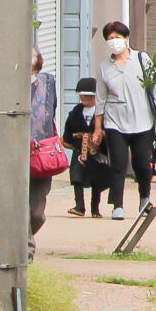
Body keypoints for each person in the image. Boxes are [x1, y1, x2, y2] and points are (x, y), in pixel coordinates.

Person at [96, 21, 156, 219]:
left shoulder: (142, 59)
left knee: (142, 163)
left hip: (142, 120)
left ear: (126, 38)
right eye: (110, 38)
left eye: (117, 37)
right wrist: (98, 127)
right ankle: (117, 205)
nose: (114, 41)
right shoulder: (104, 67)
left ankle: (144, 198)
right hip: (115, 121)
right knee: (118, 163)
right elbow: (100, 99)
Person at [27, 48, 61, 257]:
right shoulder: (6, 86)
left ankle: (23, 240)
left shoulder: (47, 83)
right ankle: (25, 250)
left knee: (36, 213)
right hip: (14, 155)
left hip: (41, 153)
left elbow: (50, 113)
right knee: (18, 209)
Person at [64, 78, 109, 215]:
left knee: (96, 180)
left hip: (96, 151)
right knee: (77, 178)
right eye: (83, 97)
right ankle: (79, 206)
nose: (86, 100)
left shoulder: (102, 112)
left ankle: (95, 209)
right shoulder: (76, 112)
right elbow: (68, 130)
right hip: (79, 150)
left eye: (89, 98)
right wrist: (70, 140)